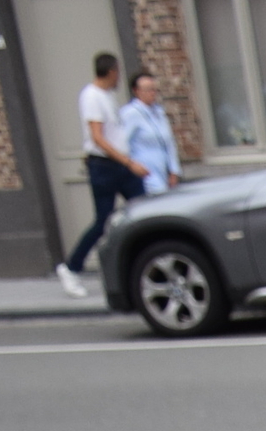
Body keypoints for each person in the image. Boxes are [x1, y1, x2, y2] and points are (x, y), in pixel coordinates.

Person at [55, 53, 141, 297]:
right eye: (118, 72)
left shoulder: (108, 96)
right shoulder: (92, 96)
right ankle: (71, 268)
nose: (119, 78)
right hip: (105, 166)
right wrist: (127, 162)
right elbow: (98, 137)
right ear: (112, 72)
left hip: (119, 164)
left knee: (144, 207)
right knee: (103, 220)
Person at [117, 71, 180, 197]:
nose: (152, 93)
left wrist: (174, 170)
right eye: (148, 89)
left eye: (154, 89)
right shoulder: (130, 113)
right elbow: (122, 143)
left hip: (163, 171)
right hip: (146, 173)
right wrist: (132, 165)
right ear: (137, 91)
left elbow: (169, 142)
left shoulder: (159, 112)